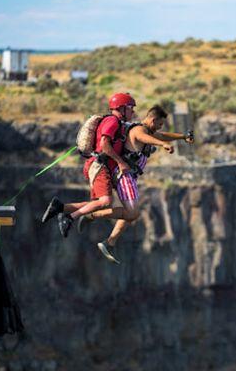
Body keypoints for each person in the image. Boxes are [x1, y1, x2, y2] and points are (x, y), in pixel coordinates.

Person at [81, 105, 194, 264]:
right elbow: (146, 138)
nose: (160, 128)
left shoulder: (150, 131)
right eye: (159, 124)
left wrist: (182, 137)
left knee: (130, 213)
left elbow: (162, 135)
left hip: (130, 177)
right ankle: (92, 216)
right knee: (132, 212)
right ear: (153, 120)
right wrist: (162, 145)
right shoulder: (138, 130)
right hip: (124, 175)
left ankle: (110, 242)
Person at [41, 92, 135, 237]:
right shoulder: (112, 121)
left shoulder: (118, 123)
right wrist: (121, 162)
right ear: (121, 109)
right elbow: (104, 144)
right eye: (130, 107)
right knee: (105, 202)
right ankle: (69, 218)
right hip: (99, 166)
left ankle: (60, 207)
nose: (133, 111)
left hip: (98, 166)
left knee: (98, 204)